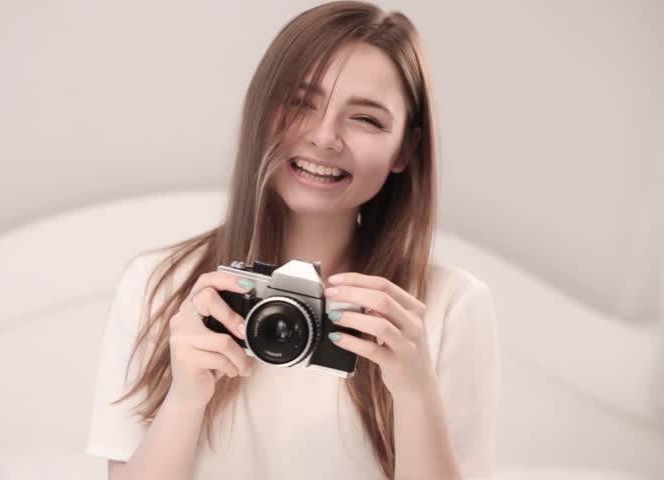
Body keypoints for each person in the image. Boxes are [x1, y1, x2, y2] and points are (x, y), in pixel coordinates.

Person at [85, 1, 500, 479]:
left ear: (404, 149)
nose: (325, 137)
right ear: (263, 112)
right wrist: (184, 400)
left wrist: (414, 393)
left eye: (365, 119)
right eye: (301, 102)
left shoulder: (450, 306)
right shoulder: (160, 286)